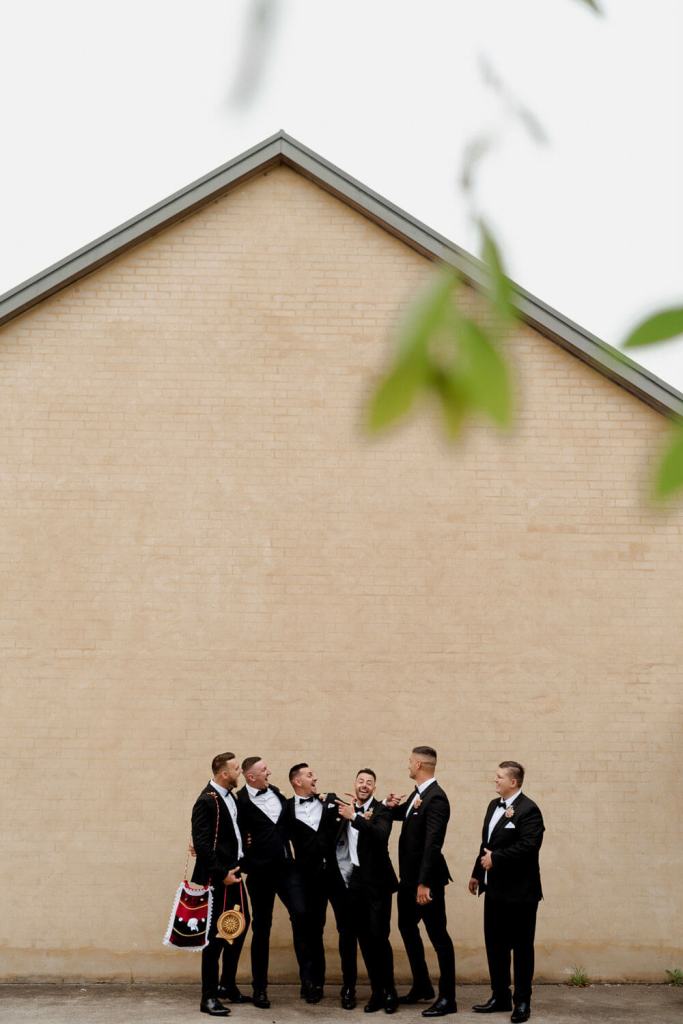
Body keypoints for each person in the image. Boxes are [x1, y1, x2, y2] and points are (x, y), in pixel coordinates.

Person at [468, 761, 544, 1024]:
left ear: (514, 782)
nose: (495, 780)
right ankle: (499, 995)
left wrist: (496, 859)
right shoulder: (493, 806)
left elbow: (529, 846)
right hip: (495, 891)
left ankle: (522, 1001)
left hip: (521, 894)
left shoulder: (530, 810)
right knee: (495, 946)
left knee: (522, 948)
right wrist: (477, 874)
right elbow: (487, 843)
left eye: (499, 777)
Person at [236, 756, 314, 1009]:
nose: (269, 772)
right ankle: (260, 989)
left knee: (302, 915)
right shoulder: (240, 802)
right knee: (262, 929)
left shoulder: (279, 795)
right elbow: (230, 831)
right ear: (251, 777)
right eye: (263, 770)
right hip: (259, 874)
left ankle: (308, 981)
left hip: (286, 869)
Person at [386, 745, 457, 1017]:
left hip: (426, 882)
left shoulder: (436, 798)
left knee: (439, 937)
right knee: (406, 926)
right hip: (408, 881)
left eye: (409, 762)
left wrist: (424, 883)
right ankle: (422, 985)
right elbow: (401, 814)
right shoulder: (418, 796)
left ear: (418, 765)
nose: (407, 765)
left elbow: (433, 844)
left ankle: (447, 997)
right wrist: (388, 805)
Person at [286, 763, 354, 1006]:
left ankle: (349, 987)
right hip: (308, 880)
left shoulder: (332, 801)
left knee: (347, 930)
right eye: (310, 775)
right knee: (313, 932)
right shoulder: (287, 808)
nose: (315, 777)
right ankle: (315, 983)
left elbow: (354, 825)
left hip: (336, 876)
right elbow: (276, 839)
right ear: (297, 781)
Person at [191, 752, 251, 1018]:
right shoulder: (206, 801)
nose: (240, 772)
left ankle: (227, 984)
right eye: (237, 769)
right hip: (218, 880)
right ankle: (209, 997)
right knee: (214, 939)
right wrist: (221, 873)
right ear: (224, 774)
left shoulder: (231, 797)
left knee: (238, 927)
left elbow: (231, 836)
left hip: (234, 877)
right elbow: (202, 846)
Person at [335, 768, 399, 1014]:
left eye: (369, 782)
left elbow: (380, 835)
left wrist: (356, 817)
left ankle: (390, 991)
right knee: (364, 940)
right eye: (360, 781)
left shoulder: (383, 811)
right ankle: (376, 993)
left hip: (379, 885)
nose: (364, 785)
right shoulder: (345, 809)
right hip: (355, 885)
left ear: (374, 787)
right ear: (355, 784)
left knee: (379, 938)